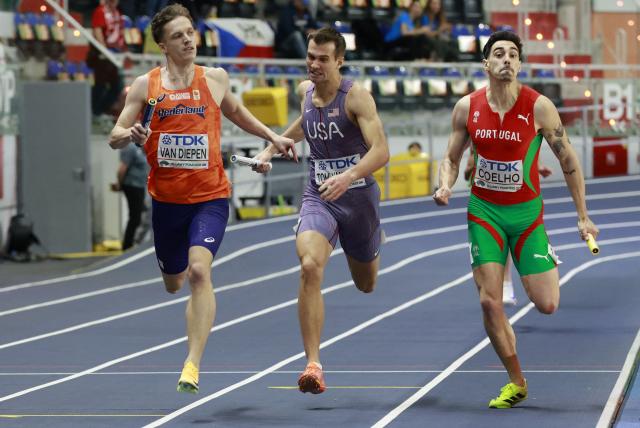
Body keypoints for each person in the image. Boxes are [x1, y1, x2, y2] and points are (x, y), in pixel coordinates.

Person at [108, 3, 295, 394]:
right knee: (174, 282)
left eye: (190, 31)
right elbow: (115, 134)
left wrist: (272, 137)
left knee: (198, 271)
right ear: (162, 44)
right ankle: (187, 332)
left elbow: (238, 112)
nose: (188, 39)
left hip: (210, 196)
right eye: (178, 35)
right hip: (167, 201)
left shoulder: (215, 78)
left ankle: (192, 363)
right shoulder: (147, 85)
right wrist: (133, 134)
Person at [433, 30, 599, 409]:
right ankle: (516, 380)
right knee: (490, 302)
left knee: (548, 304)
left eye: (512, 54)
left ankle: (542, 256)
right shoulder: (467, 108)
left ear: (520, 64)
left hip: (527, 217)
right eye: (498, 54)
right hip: (484, 214)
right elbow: (452, 158)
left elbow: (569, 160)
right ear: (486, 64)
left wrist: (583, 217)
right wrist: (445, 184)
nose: (506, 59)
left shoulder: (539, 108)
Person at [254, 27, 390, 394]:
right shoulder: (305, 93)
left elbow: (381, 151)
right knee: (310, 265)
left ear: (339, 61)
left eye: (322, 59)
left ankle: (374, 236)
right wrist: (271, 147)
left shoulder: (356, 98)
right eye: (310, 57)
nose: (314, 64)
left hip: (358, 198)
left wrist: (349, 176)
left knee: (366, 284)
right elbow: (305, 124)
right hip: (319, 196)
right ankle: (313, 363)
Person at [464, 148, 553, 306]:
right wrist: (469, 169)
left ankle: (518, 278)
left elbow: (524, 149)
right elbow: (468, 160)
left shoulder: (521, 129)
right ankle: (505, 282)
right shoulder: (477, 130)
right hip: (488, 201)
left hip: (518, 201)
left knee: (547, 302)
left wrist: (537, 166)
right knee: (501, 241)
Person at [87, 0, 125, 120]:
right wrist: (103, 50)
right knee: (101, 85)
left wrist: (122, 49)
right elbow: (97, 30)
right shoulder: (100, 11)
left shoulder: (118, 12)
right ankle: (95, 111)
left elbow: (120, 32)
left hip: (116, 54)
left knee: (117, 86)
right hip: (103, 55)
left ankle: (100, 110)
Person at [110, 144, 149, 251]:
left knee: (137, 216)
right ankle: (127, 245)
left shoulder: (140, 148)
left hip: (139, 185)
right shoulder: (130, 148)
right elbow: (122, 168)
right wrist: (119, 184)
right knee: (135, 217)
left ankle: (130, 243)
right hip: (132, 185)